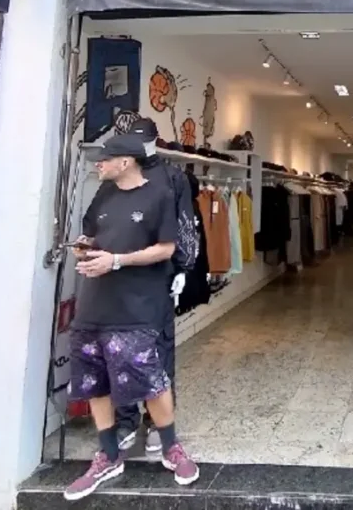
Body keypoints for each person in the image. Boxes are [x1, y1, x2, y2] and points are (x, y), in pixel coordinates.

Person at [64, 134, 199, 501]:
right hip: (94, 303)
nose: (99, 163)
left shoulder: (160, 195)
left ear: (125, 162)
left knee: (150, 378)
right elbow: (92, 234)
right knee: (94, 380)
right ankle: (108, 454)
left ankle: (170, 446)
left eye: (105, 158)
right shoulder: (104, 194)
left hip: (137, 304)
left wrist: (116, 261)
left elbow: (166, 248)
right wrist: (85, 247)